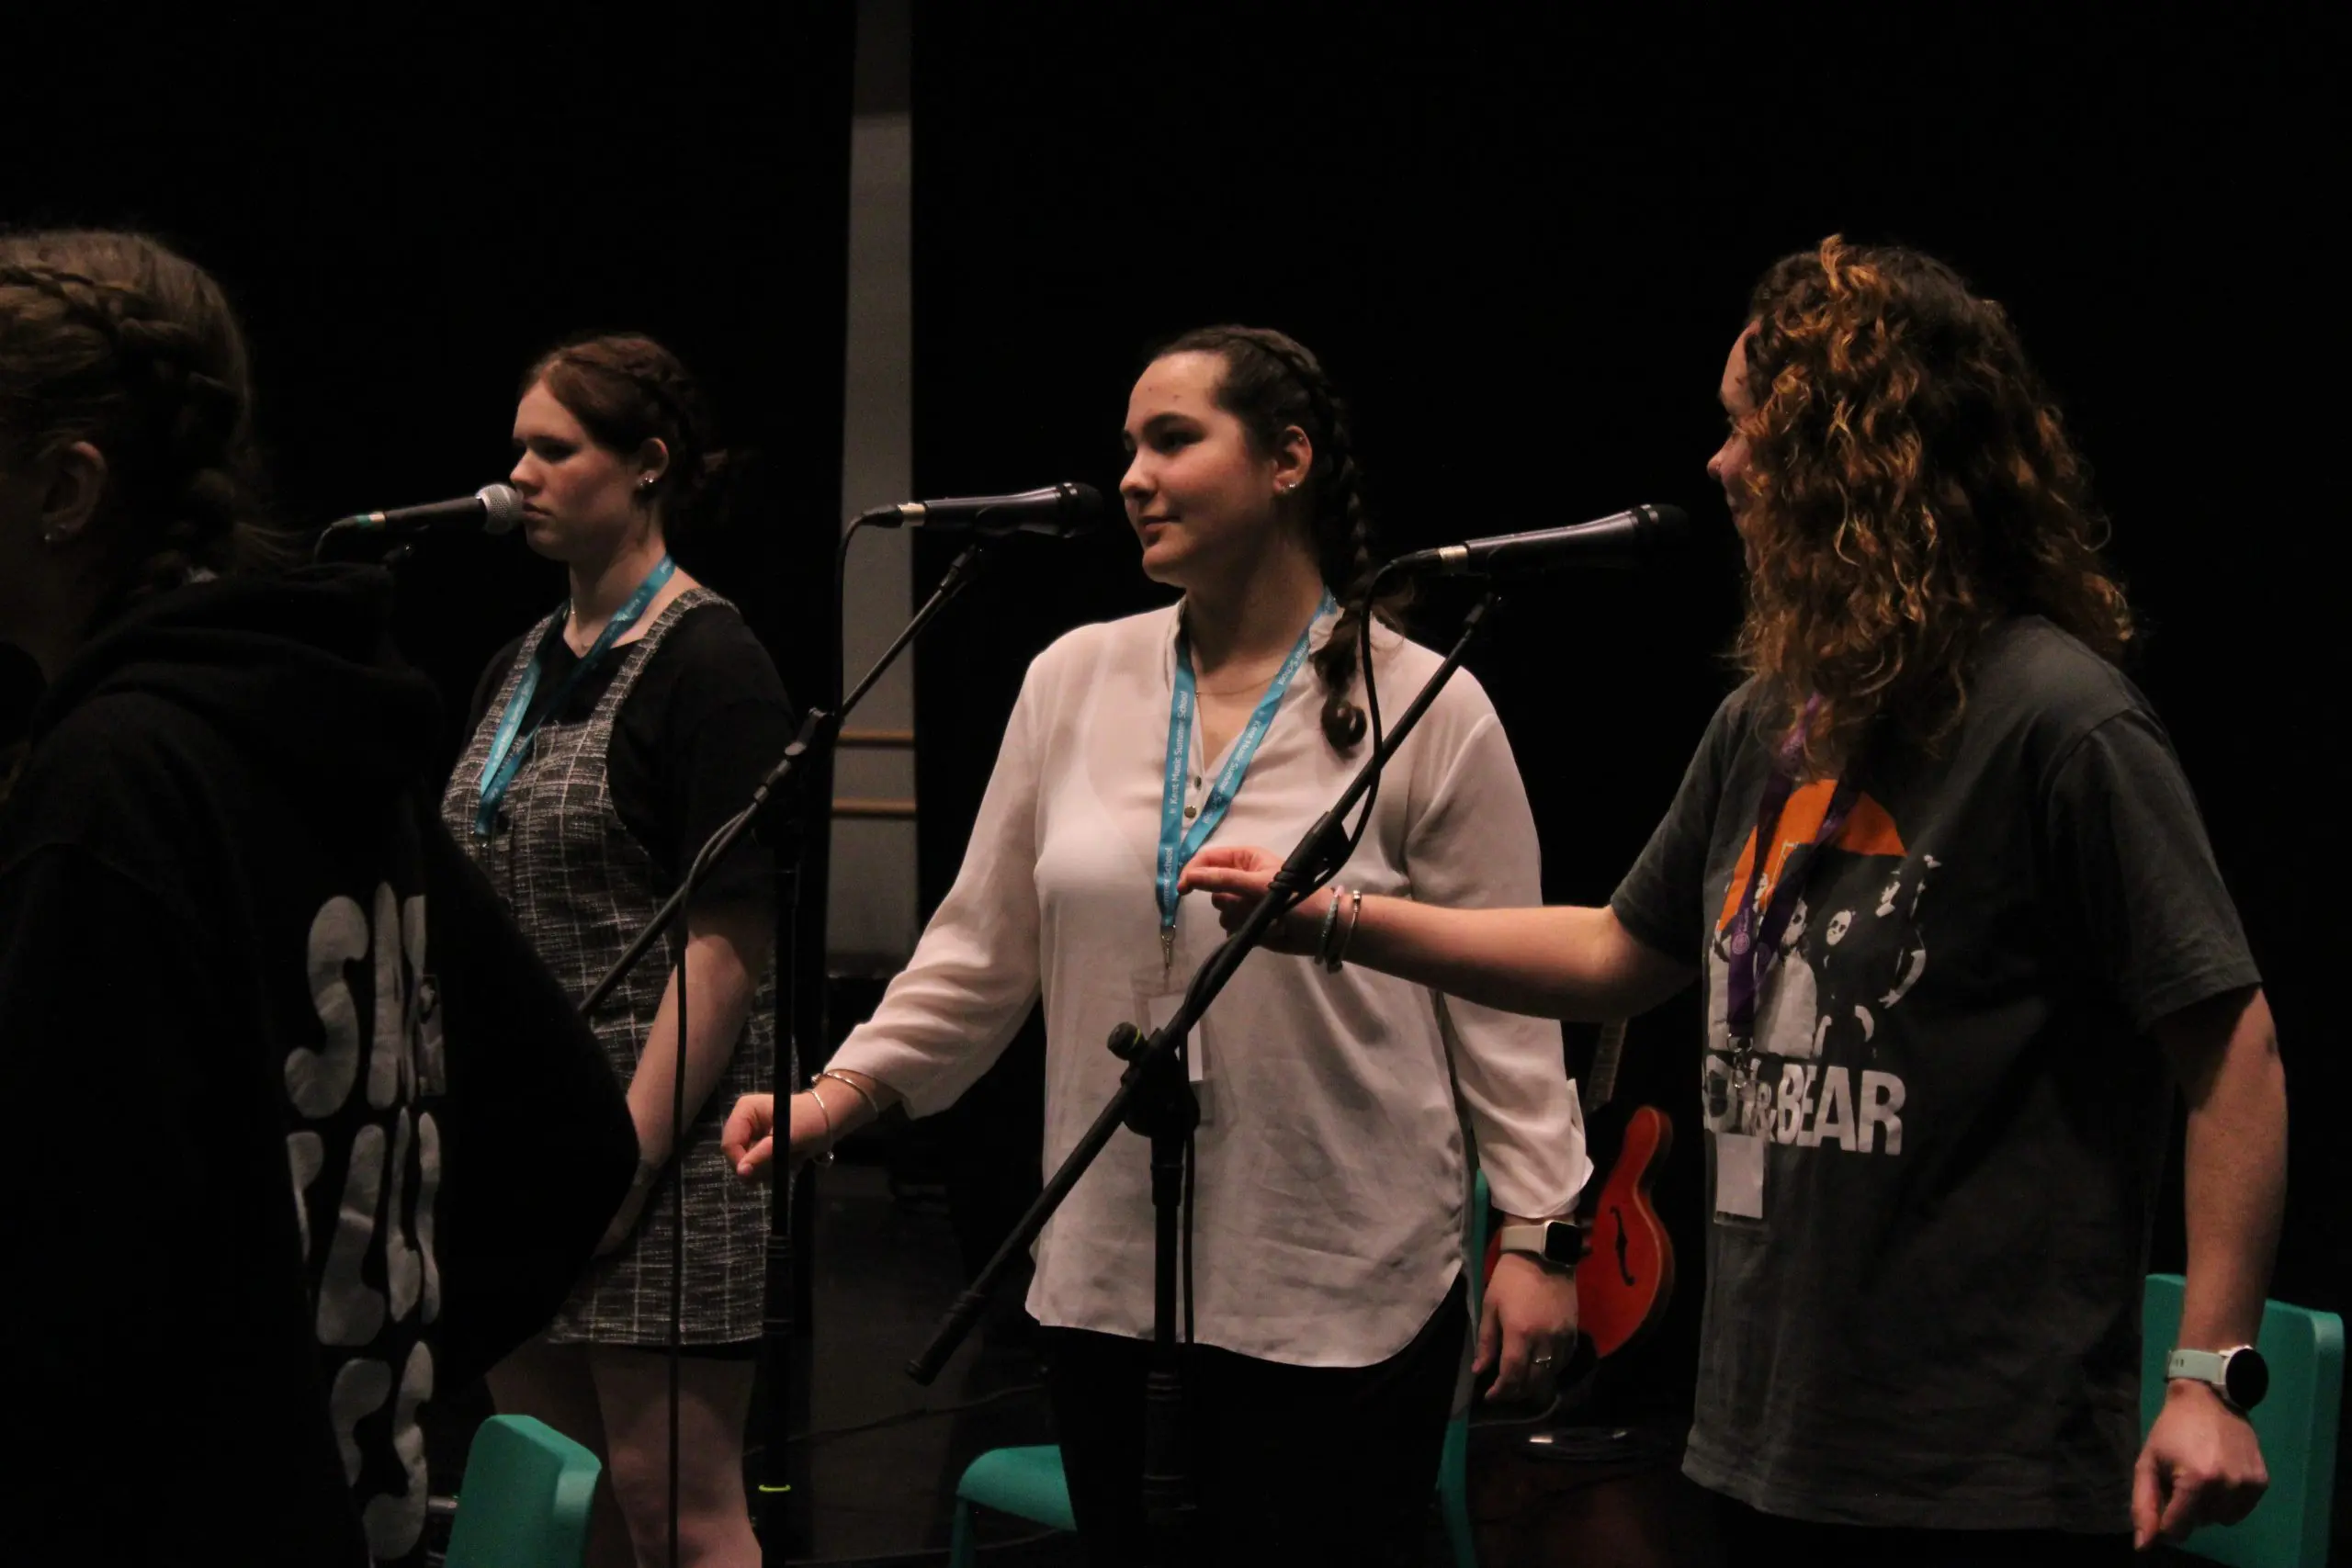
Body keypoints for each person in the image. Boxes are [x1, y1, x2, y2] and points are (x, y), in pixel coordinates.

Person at [1181, 240, 2287, 1564]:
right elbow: (1617, 949)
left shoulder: (2062, 721)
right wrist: (1336, 918)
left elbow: (2232, 1048)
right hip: (1764, 1441)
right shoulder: (1771, 720)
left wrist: (2209, 1372)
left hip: (1980, 1470)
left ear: (1852, 457)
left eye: (1747, 427)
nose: (1720, 464)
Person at [724, 325, 1588, 1565]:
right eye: (1128, 446)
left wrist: (1541, 1234)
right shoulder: (1073, 678)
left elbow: (1504, 996)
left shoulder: (1426, 704)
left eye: (1173, 440)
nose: (1133, 476)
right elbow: (978, 952)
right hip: (1109, 1276)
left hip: (1342, 1275)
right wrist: (835, 1099)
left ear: (1287, 459)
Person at [0, 230, 639, 1566]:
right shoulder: (318, 726)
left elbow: (70, 1294)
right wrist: (347, 1387)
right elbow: (571, 1140)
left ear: (64, 487)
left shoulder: (116, 783)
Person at [440, 332, 792, 1568]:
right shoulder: (516, 666)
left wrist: (623, 1165)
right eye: (517, 450)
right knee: (557, 1503)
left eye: (555, 449)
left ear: (647, 464)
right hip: (524, 1153)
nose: (520, 475)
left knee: (673, 1515)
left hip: (661, 1155)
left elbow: (728, 944)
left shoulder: (712, 662)